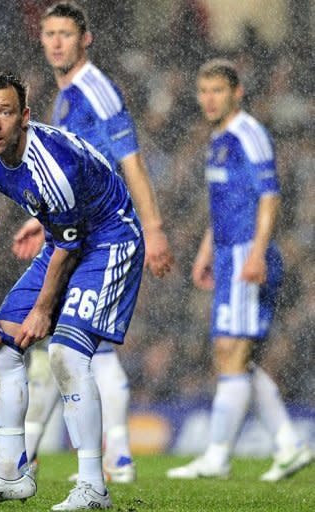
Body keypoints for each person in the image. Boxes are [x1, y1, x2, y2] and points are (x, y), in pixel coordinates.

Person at [0, 0, 174, 484]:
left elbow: (131, 160)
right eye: (49, 33)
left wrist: (156, 227)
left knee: (78, 350)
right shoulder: (64, 100)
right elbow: (65, 174)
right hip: (72, 225)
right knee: (58, 349)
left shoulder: (96, 91)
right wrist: (42, 221)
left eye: (66, 33)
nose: (57, 42)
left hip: (103, 232)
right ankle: (30, 454)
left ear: (86, 40)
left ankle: (111, 455)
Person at [0, 70, 145, 510]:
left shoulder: (53, 164)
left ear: (24, 116)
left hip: (109, 237)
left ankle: (94, 486)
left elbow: (70, 245)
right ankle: (9, 474)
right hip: (63, 235)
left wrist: (43, 308)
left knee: (66, 354)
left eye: (5, 112)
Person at [166, 59, 313, 482]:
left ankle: (217, 455)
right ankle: (289, 444)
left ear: (237, 92)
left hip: (249, 253)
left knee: (231, 353)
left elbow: (269, 196)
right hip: (229, 253)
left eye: (217, 90)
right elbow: (224, 207)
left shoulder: (249, 134)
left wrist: (256, 253)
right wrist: (205, 251)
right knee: (241, 359)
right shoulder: (219, 139)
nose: (208, 98)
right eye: (203, 90)